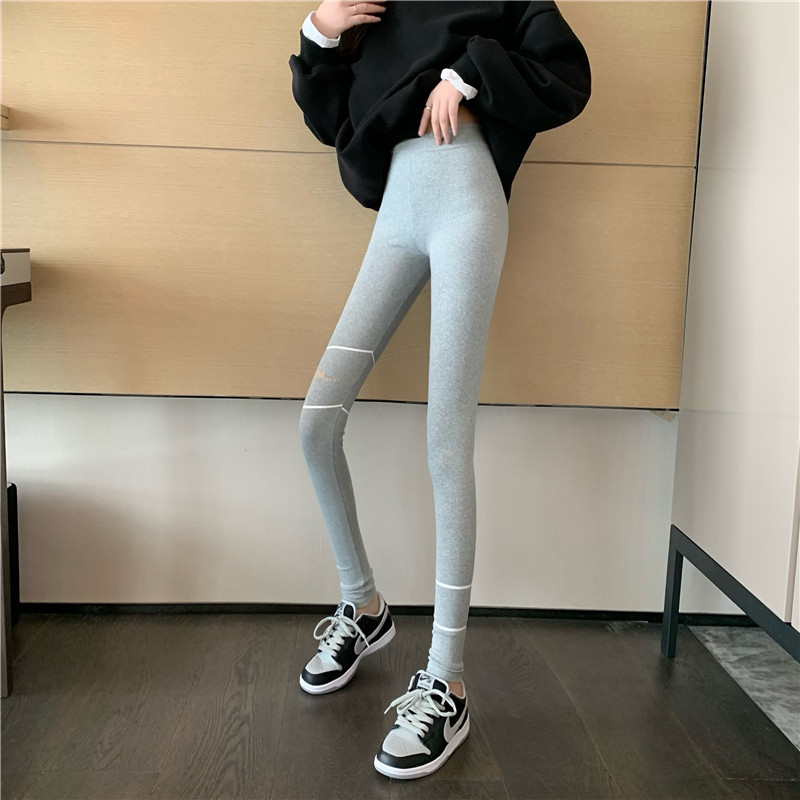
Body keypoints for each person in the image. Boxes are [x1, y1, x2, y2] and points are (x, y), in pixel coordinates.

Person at [288, 0, 591, 780]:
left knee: (444, 443)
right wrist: (320, 31)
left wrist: (468, 74)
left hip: (466, 203)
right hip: (397, 209)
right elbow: (333, 122)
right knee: (316, 422)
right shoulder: (371, 12)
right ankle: (364, 606)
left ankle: (447, 682)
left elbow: (567, 73)